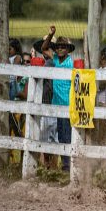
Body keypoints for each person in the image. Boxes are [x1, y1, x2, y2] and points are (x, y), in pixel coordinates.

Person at [41, 26, 75, 170]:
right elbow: (43, 48)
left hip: (67, 104)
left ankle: (67, 165)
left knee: (66, 135)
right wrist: (51, 34)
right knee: (60, 136)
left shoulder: (71, 63)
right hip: (56, 104)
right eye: (58, 47)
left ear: (68, 49)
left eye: (63, 47)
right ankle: (64, 165)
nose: (60, 49)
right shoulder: (54, 59)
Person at [33, 33, 57, 168]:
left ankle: (47, 167)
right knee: (52, 138)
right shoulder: (50, 63)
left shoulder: (50, 63)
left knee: (46, 137)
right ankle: (50, 167)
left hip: (48, 102)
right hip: (51, 102)